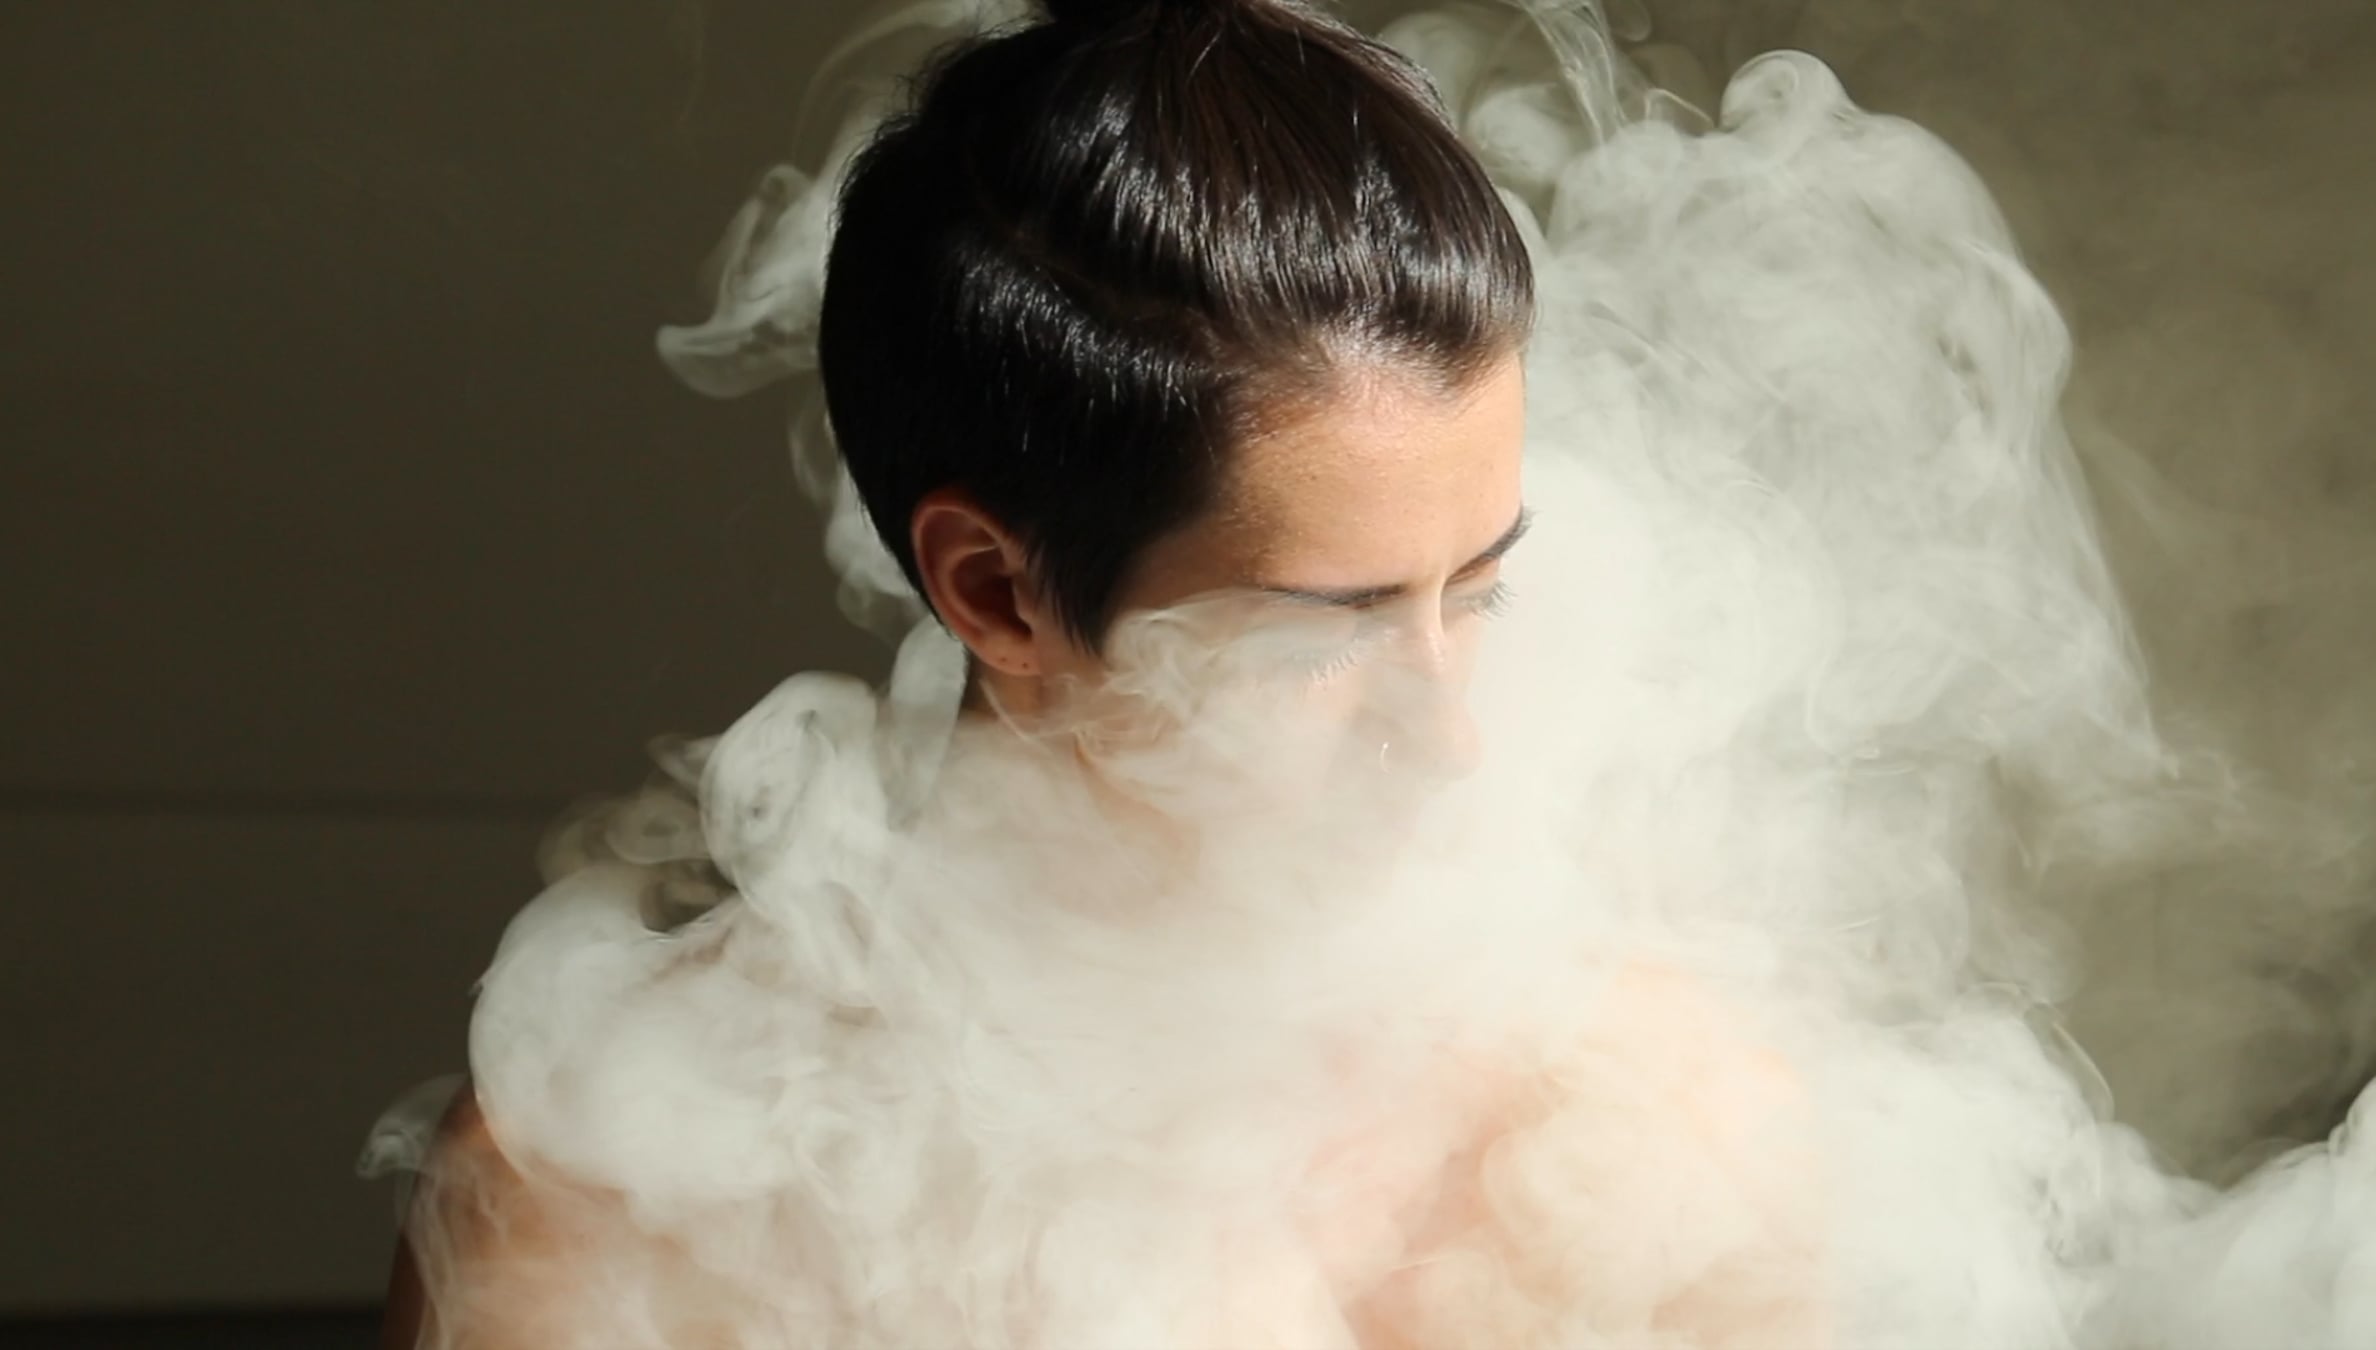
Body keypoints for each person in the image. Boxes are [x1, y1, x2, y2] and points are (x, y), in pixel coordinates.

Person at [377, 0, 1587, 1345]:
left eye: (1477, 590)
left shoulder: (1609, 1122)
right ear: (996, 592)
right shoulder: (622, 1185)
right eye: (1325, 629)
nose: (1448, 737)